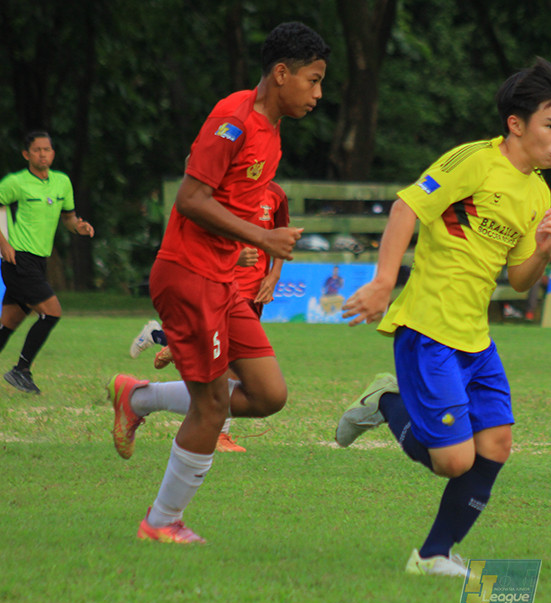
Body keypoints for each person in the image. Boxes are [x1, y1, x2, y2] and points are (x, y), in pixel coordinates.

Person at [335, 57, 551, 576]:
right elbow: (406, 208)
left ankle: (432, 556)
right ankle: (385, 400)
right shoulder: (473, 160)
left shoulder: (538, 192)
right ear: (516, 124)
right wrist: (383, 282)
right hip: (428, 329)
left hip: (476, 338)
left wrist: (543, 251)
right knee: (452, 461)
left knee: (497, 443)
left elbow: (517, 281)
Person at [108, 22, 329, 543]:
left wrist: (260, 242)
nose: (318, 94)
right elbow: (189, 198)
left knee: (269, 394)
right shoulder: (233, 118)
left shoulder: (270, 130)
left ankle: (136, 399)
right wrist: (264, 238)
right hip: (189, 275)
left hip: (223, 281)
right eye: (313, 80)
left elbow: (216, 183)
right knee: (212, 405)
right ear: (281, 74)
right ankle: (160, 524)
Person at [123, 181, 291, 454]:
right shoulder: (214, 188)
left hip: (253, 290)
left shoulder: (275, 193)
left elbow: (279, 234)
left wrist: (274, 274)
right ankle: (217, 434)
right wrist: (233, 258)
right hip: (220, 287)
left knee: (237, 373)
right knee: (226, 370)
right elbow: (197, 243)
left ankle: (162, 347)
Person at [0, 131, 94, 394]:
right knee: (52, 312)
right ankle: (21, 370)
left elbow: (69, 218)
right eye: (37, 150)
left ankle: (21, 370)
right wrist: (4, 244)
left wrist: (80, 227)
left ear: (53, 153)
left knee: (9, 322)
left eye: (47, 149)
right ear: (26, 154)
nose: (43, 154)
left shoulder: (62, 182)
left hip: (39, 260)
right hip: (18, 259)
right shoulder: (15, 182)